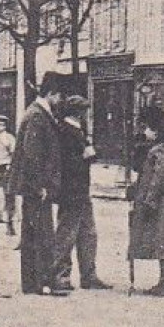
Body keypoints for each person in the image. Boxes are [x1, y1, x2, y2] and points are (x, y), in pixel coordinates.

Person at [128, 104, 164, 297]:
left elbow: (159, 176)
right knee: (162, 238)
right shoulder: (162, 147)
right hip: (163, 197)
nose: (144, 131)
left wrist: (150, 199)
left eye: (147, 127)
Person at [52, 95, 110, 291]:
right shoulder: (65, 131)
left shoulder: (78, 130)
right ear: (77, 112)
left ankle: (89, 275)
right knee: (67, 233)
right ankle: (61, 275)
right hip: (70, 190)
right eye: (84, 110)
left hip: (81, 190)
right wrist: (84, 157)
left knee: (88, 233)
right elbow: (64, 162)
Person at [12, 81, 64, 296]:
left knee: (36, 233)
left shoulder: (38, 113)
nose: (61, 101)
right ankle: (38, 283)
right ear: (51, 93)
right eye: (60, 95)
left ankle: (36, 283)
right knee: (39, 234)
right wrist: (39, 184)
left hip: (34, 185)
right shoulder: (36, 116)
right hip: (35, 187)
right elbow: (32, 154)